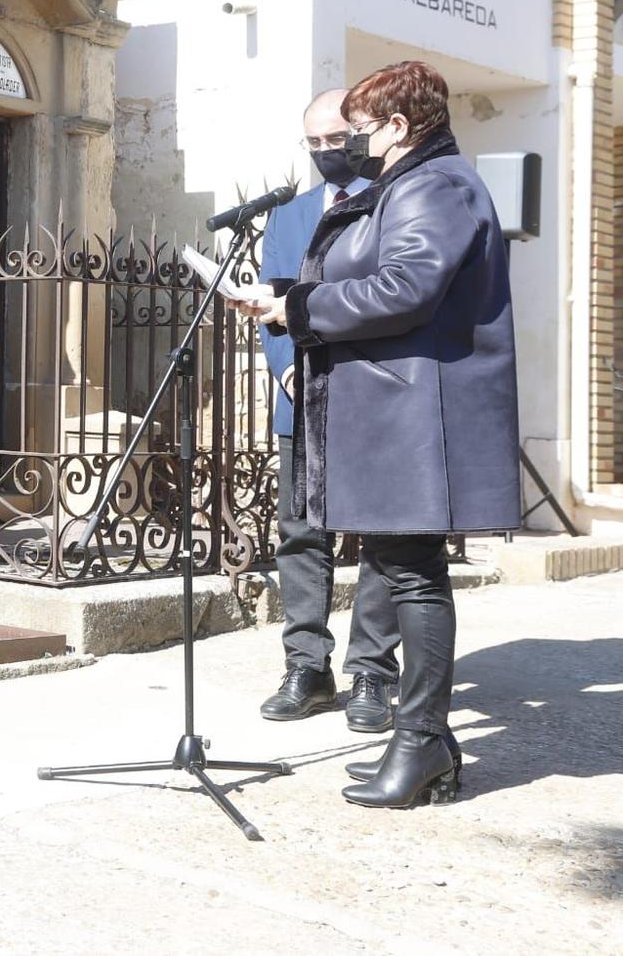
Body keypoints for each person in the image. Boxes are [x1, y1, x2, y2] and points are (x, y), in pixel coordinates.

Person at [241, 61, 518, 808]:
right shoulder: (411, 185)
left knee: (415, 574)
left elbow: (406, 286)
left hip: (419, 414)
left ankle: (423, 739)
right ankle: (425, 744)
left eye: (359, 129)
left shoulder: (438, 184)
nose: (350, 143)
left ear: (399, 126)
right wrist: (291, 300)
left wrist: (299, 309)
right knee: (406, 566)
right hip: (399, 408)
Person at [255, 89, 400, 730]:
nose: (324, 153)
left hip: (372, 395)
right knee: (300, 533)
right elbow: (272, 303)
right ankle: (307, 667)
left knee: (382, 537)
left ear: (362, 133)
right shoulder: (288, 217)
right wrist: (284, 367)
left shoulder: (394, 198)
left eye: (334, 140)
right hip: (301, 395)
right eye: (312, 143)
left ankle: (372, 674)